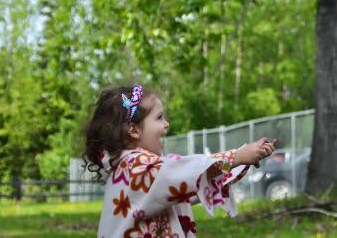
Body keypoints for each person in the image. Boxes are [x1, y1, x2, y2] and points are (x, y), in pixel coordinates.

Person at [83, 85, 276, 237]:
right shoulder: (135, 166)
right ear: (133, 130)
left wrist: (242, 160)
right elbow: (181, 173)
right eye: (159, 118)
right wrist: (237, 156)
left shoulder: (137, 168)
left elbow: (188, 185)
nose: (167, 124)